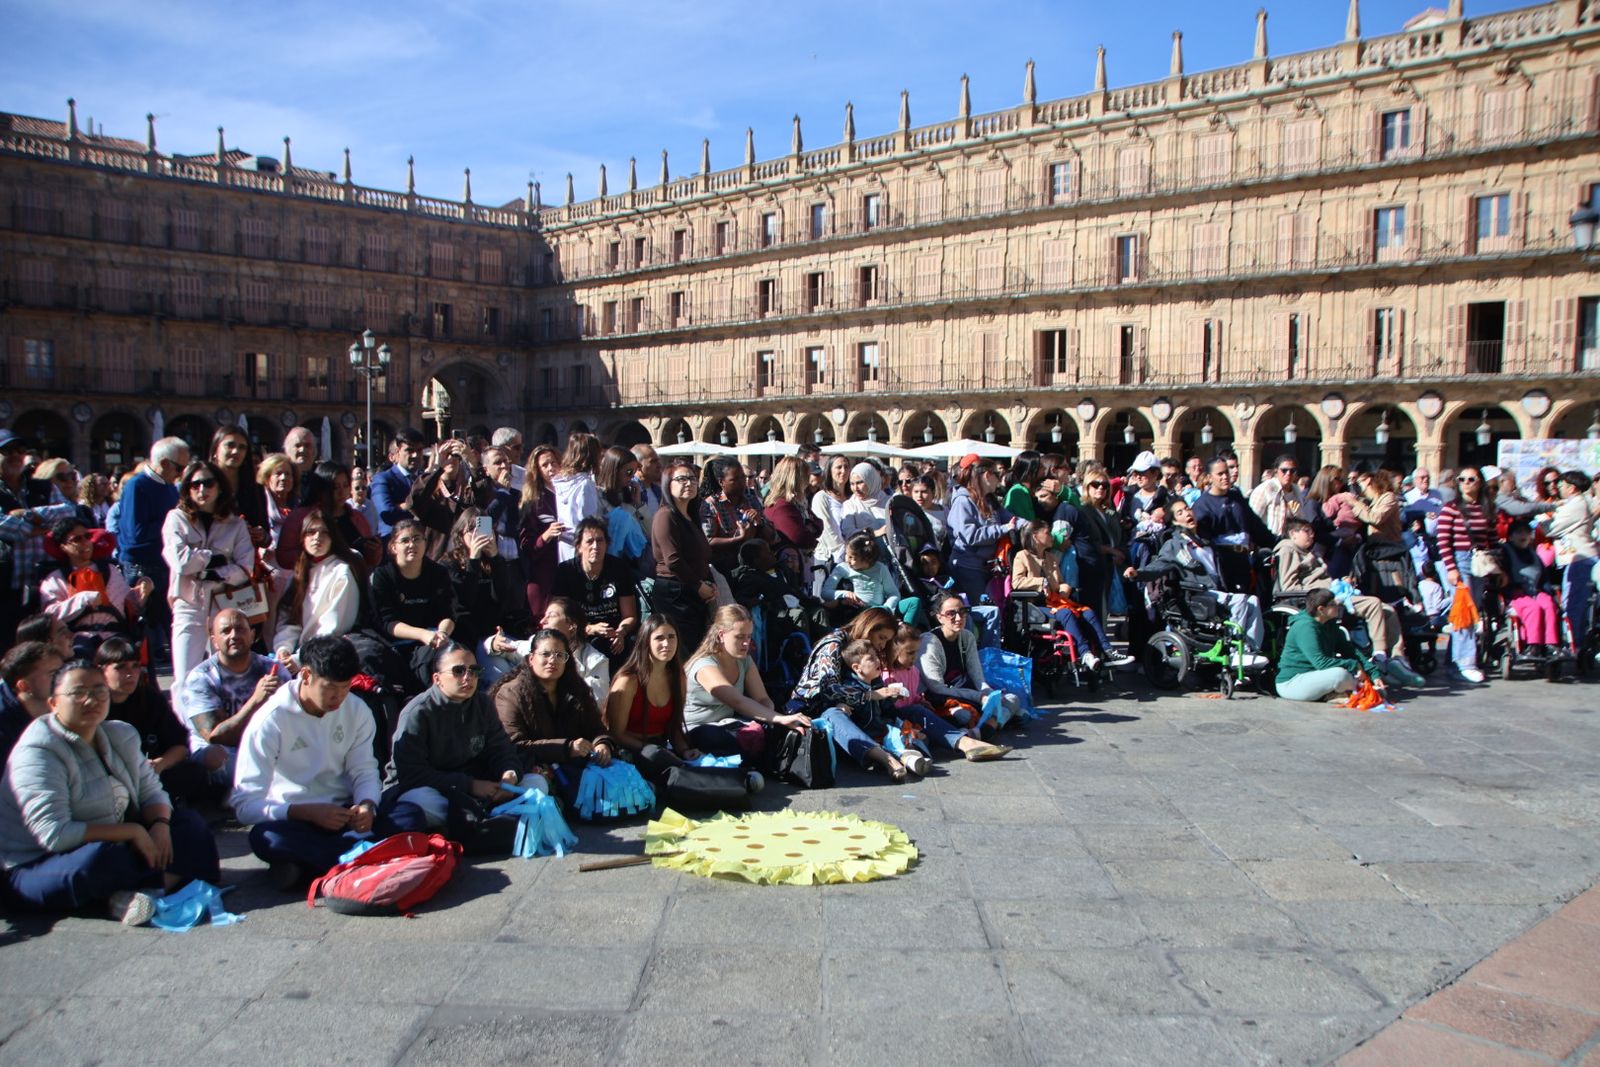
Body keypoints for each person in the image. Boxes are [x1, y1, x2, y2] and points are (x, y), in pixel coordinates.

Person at [1, 660, 220, 924]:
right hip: (38, 862)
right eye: (78, 693)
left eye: (98, 691)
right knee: (99, 861)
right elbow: (54, 834)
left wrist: (159, 825)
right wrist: (134, 831)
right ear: (53, 703)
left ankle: (135, 893)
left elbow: (151, 791)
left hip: (112, 840)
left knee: (189, 825)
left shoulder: (121, 733)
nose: (90, 700)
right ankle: (149, 886)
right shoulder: (38, 751)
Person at [232, 636, 425, 888]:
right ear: (306, 675)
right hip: (297, 818)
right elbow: (245, 805)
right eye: (330, 688)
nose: (339, 697)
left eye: (345, 687)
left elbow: (364, 769)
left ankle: (317, 865)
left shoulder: (356, 710)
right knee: (265, 838)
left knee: (411, 814)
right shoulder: (270, 720)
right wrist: (305, 812)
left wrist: (367, 805)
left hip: (346, 816)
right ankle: (362, 857)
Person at [381, 644, 533, 830]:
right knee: (419, 803)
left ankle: (480, 817)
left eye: (474, 670)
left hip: (476, 784)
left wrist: (509, 775)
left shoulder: (482, 703)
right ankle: (484, 818)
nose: (468, 677)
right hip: (435, 789)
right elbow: (411, 773)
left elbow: (500, 747)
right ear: (437, 679)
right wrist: (469, 786)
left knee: (536, 784)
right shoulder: (418, 712)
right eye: (458, 671)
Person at [1275, 518, 1426, 687]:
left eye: (1311, 531)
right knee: (1374, 603)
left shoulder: (1308, 552)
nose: (1311, 534)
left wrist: (1340, 582)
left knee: (1388, 610)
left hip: (1333, 592)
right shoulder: (1288, 550)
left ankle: (1397, 658)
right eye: (1306, 531)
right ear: (1293, 534)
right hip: (1318, 599)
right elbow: (1289, 586)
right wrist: (1328, 589)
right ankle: (1380, 659)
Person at [161, 460, 254, 704]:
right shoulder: (176, 519)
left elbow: (245, 568)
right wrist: (216, 558)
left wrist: (209, 570)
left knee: (223, 671)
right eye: (195, 484)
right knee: (185, 675)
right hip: (188, 604)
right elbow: (180, 562)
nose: (202, 489)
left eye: (208, 483)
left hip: (222, 604)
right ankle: (187, 731)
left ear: (219, 487)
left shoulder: (235, 524)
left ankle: (223, 724)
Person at [490, 628, 617, 804]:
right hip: (533, 764)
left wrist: (602, 743)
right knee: (541, 782)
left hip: (574, 760)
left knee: (621, 758)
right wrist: (567, 748)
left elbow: (596, 727)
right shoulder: (511, 693)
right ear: (531, 658)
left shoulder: (575, 687)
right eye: (546, 654)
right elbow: (515, 746)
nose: (552, 660)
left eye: (560, 655)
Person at [97, 637, 221, 807]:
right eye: (120, 668)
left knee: (193, 773)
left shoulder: (150, 698)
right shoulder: (93, 705)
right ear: (101, 671)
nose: (130, 674)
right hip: (107, 777)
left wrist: (159, 764)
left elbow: (181, 746)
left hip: (150, 774)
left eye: (135, 666)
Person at [683, 604, 806, 767]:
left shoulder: (745, 660)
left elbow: (762, 698)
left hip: (729, 724)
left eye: (749, 637)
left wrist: (772, 720)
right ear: (721, 635)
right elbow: (737, 702)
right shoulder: (705, 665)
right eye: (740, 637)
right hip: (697, 729)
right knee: (722, 738)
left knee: (769, 730)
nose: (746, 643)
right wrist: (780, 718)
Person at [180, 609, 288, 780]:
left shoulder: (273, 669)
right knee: (215, 757)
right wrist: (255, 700)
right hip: (225, 751)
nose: (234, 635)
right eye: (226, 631)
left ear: (253, 636)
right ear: (214, 641)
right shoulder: (200, 678)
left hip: (265, 744)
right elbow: (215, 737)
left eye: (240, 629)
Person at [1011, 520, 1132, 668]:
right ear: (1035, 536)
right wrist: (1040, 582)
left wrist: (1065, 588)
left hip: (1055, 601)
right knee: (1066, 614)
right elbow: (1016, 582)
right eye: (1047, 533)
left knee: (1088, 613)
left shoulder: (1051, 558)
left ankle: (1108, 651)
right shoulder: (1022, 556)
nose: (1052, 537)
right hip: (1034, 605)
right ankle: (1085, 653)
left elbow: (1060, 582)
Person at [1158, 500, 1269, 661]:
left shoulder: (1206, 540)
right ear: (1175, 521)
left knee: (1253, 600)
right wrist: (1137, 573)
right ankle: (1235, 650)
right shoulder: (1174, 545)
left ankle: (1249, 650)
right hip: (1197, 592)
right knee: (1240, 601)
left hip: (1215, 590)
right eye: (1180, 512)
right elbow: (1158, 565)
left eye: (1187, 508)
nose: (1187, 513)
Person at [881, 624, 1009, 761]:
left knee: (949, 717)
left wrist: (921, 700)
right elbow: (887, 707)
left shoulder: (913, 671)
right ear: (894, 651)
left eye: (916, 652)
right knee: (918, 712)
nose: (914, 657)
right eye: (910, 653)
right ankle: (967, 743)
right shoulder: (886, 675)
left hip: (914, 717)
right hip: (897, 719)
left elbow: (913, 695)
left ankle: (966, 736)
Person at [603, 615, 700, 780]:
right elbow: (616, 733)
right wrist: (651, 749)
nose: (667, 644)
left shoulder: (678, 677)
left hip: (660, 745)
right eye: (659, 638)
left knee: (707, 737)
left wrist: (684, 750)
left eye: (671, 637)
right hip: (630, 749)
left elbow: (674, 725)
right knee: (655, 757)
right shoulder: (628, 681)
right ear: (646, 642)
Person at [38, 516, 150, 656]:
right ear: (63, 547)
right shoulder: (56, 578)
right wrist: (83, 599)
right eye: (77, 539)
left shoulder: (109, 570)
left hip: (114, 635)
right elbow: (50, 615)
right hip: (78, 638)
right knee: (81, 653)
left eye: (87, 536)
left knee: (128, 653)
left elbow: (128, 606)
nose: (86, 543)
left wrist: (142, 590)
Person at [370, 518, 459, 692]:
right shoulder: (383, 575)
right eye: (405, 540)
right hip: (396, 644)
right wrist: (423, 635)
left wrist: (442, 633)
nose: (412, 544)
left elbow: (448, 613)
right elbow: (388, 623)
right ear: (394, 547)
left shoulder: (438, 572)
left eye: (417, 539)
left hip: (433, 639)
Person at [916, 593, 1023, 734]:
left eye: (962, 612)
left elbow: (978, 677)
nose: (959, 618)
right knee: (964, 715)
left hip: (963, 691)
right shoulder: (928, 642)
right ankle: (992, 724)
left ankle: (985, 729)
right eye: (951, 614)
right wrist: (978, 697)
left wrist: (990, 695)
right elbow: (937, 688)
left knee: (1012, 699)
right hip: (939, 697)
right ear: (939, 617)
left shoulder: (967, 637)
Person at [270, 510, 365, 664]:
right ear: (302, 538)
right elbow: (290, 619)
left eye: (324, 533)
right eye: (311, 532)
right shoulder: (300, 572)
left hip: (327, 656)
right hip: (300, 654)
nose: (317, 538)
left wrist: (300, 658)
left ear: (333, 538)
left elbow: (333, 628)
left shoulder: (342, 572)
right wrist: (283, 648)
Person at [1435, 466, 1498, 684]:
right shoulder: (1450, 509)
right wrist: (1451, 568)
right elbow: (1443, 541)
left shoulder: (1486, 508)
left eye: (1472, 479)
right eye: (1462, 479)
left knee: (1472, 612)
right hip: (1460, 560)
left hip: (1480, 562)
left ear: (1480, 482)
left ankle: (1455, 660)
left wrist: (1496, 566)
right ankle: (1466, 662)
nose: (1467, 483)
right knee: (1465, 611)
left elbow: (1492, 538)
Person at [1275, 589, 1388, 702]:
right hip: (1292, 683)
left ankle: (1351, 691)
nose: (1337, 606)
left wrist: (1374, 674)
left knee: (1346, 672)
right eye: (1333, 604)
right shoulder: (1305, 627)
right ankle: (1359, 691)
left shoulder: (1329, 623)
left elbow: (1350, 651)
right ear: (1321, 609)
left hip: (1316, 676)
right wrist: (1354, 665)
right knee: (1340, 675)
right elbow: (1321, 663)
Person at [651, 460, 717, 654]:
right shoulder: (666, 515)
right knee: (685, 652)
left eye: (692, 479)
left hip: (693, 592)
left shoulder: (690, 516)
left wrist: (708, 583)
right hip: (675, 594)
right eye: (681, 479)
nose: (688, 483)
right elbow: (673, 560)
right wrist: (699, 586)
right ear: (667, 484)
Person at [552, 517, 640, 661]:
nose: (595, 546)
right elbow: (557, 618)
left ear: (607, 544)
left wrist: (621, 632)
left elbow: (630, 616)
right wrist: (589, 629)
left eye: (600, 541)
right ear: (579, 546)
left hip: (614, 635)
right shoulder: (565, 571)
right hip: (578, 636)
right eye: (589, 541)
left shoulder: (619, 568)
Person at [947, 456, 1019, 606]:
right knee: (980, 611)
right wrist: (1003, 529)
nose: (999, 481)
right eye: (997, 475)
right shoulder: (963, 501)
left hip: (985, 567)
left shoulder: (989, 500)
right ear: (987, 475)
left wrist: (1033, 527)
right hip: (967, 567)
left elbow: (1012, 519)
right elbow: (970, 536)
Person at [1549, 471, 1598, 651]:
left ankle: (1573, 644)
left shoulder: (1576, 505)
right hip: (1579, 557)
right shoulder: (1578, 503)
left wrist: (1541, 518)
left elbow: (1553, 527)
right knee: (1578, 603)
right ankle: (1576, 642)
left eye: (1561, 485)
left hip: (1580, 558)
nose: (1557, 488)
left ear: (1571, 488)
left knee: (1573, 604)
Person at [516, 444, 565, 621]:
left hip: (568, 568)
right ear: (537, 470)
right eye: (545, 465)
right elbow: (526, 545)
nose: (551, 468)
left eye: (554, 462)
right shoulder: (533, 501)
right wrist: (546, 535)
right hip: (544, 574)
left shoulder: (568, 493)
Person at [1502, 520, 1561, 656]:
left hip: (1534, 590)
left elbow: (1544, 577)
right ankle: (1533, 645)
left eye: (1527, 533)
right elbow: (1502, 576)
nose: (1523, 536)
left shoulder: (1534, 553)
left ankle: (1551, 644)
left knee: (1549, 605)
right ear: (1510, 537)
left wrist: (1548, 592)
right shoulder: (1505, 552)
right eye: (1519, 533)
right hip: (1515, 593)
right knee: (1533, 607)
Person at [539, 597, 611, 706]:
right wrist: (502, 641)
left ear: (572, 625)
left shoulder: (595, 661)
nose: (542, 621)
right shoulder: (536, 645)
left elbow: (596, 702)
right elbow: (512, 648)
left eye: (551, 616)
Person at [0, 641, 64, 763]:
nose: (65, 678)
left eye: (64, 670)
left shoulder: (68, 705)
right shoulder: (4, 726)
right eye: (54, 674)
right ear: (24, 686)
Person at [763, 456, 821, 582]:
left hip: (800, 564)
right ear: (796, 478)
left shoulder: (799, 502)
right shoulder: (782, 506)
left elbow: (818, 525)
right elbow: (801, 538)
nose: (808, 480)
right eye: (806, 476)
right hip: (787, 570)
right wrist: (809, 530)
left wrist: (809, 527)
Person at [596, 446, 650, 574]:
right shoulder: (597, 494)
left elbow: (648, 530)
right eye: (628, 472)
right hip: (610, 560)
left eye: (634, 472)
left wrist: (638, 504)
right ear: (614, 470)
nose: (631, 477)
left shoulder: (629, 495)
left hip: (634, 560)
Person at [553, 433, 602, 563]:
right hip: (580, 546)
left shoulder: (558, 481)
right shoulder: (585, 484)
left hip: (562, 544)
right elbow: (587, 520)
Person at [369, 429, 426, 535]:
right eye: (409, 450)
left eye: (419, 450)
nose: (415, 455)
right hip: (394, 542)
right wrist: (415, 505)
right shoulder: (382, 479)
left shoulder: (425, 479)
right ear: (398, 451)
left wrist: (401, 506)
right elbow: (387, 513)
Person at [1246, 454, 1313, 538]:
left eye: (1293, 471)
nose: (1288, 473)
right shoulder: (1265, 489)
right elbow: (1252, 519)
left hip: (1289, 541)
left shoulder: (1297, 491)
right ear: (1276, 471)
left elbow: (1300, 519)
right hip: (1268, 540)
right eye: (1284, 470)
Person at [810, 454, 852, 581]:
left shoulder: (853, 497)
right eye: (839, 467)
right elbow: (826, 529)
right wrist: (845, 552)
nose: (843, 471)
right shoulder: (821, 497)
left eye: (846, 467)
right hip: (829, 559)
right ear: (829, 471)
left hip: (853, 558)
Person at [1120, 452, 1174, 536]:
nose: (1138, 477)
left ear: (1155, 473)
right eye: (1135, 473)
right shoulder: (1128, 496)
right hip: (1129, 546)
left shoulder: (1166, 499)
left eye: (1142, 472)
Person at [837, 462, 889, 543]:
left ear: (871, 480)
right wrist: (875, 533)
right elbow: (849, 533)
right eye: (852, 484)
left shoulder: (888, 501)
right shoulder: (850, 505)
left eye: (860, 482)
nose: (855, 488)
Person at [1001, 452, 1044, 522]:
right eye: (1041, 467)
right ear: (1031, 470)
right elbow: (1027, 523)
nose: (1045, 469)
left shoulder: (1028, 490)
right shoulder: (1019, 492)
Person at [631, 443, 665, 521]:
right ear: (638, 465)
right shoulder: (631, 491)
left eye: (658, 460)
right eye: (653, 461)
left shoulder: (658, 490)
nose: (659, 465)